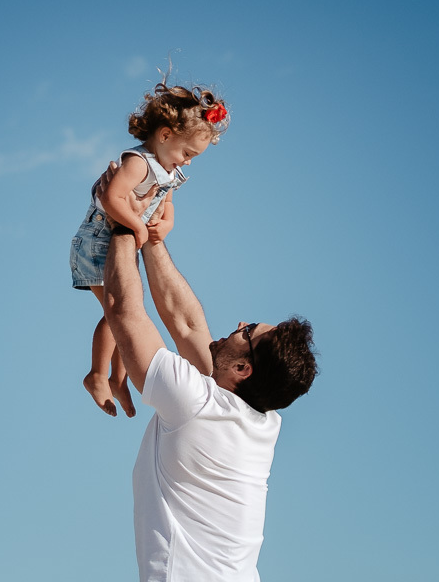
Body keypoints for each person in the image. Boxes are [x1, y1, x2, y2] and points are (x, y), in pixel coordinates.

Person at [98, 176, 319, 581]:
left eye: (247, 330)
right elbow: (186, 324)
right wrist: (150, 235)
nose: (238, 323)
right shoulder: (260, 423)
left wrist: (120, 218)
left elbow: (123, 311)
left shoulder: (196, 404)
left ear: (242, 369)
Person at [70, 80, 229, 417]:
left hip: (126, 241)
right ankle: (97, 375)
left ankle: (119, 378)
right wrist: (139, 224)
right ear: (166, 135)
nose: (187, 163)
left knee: (128, 314)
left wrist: (164, 226)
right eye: (187, 153)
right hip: (99, 243)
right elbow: (112, 197)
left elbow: (167, 207)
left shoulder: (169, 171)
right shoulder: (138, 162)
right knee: (117, 312)